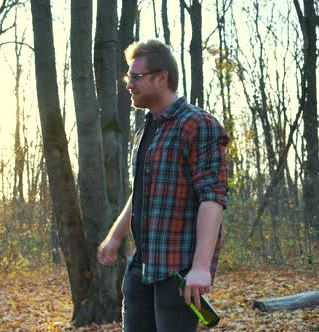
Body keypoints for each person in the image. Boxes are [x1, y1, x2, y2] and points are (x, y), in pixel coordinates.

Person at [97, 40, 229, 331]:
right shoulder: (147, 129)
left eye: (135, 77)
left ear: (162, 77)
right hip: (141, 267)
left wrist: (200, 267)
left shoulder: (198, 124)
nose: (128, 85)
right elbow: (142, 193)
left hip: (178, 271)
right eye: (127, 77)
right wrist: (115, 237)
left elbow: (213, 198)